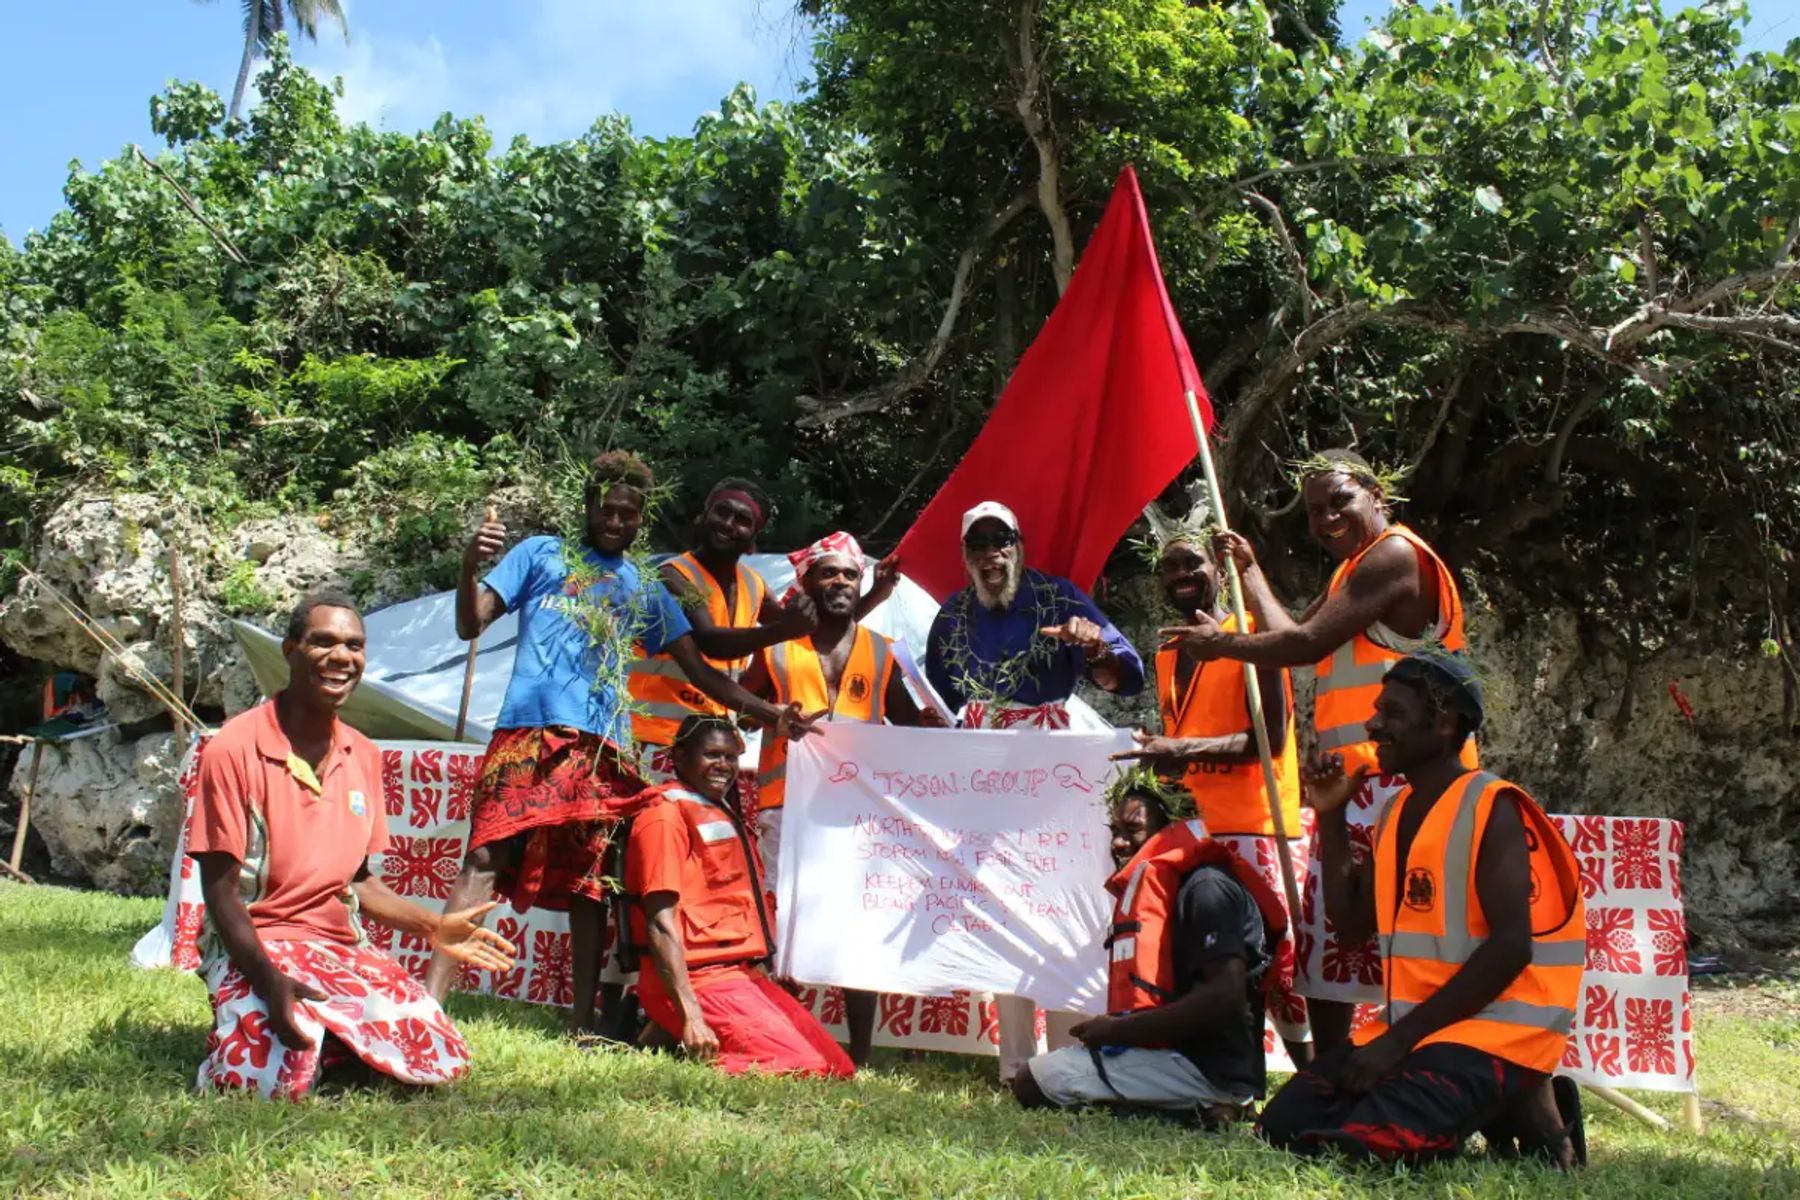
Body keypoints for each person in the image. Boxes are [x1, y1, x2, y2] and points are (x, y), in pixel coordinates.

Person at [422, 453, 811, 1037]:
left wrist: (769, 713)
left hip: (604, 747)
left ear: (642, 520)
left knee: (591, 886)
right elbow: (470, 624)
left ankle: (581, 1026)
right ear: (588, 505)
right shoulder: (540, 554)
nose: (616, 521)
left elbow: (703, 669)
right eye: (607, 509)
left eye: (630, 514)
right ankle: (429, 1006)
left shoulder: (643, 584)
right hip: (527, 731)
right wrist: (468, 568)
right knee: (485, 857)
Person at [1160, 450, 1476, 1051]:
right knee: (1331, 932)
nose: (1327, 518)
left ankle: (1411, 1061)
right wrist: (1249, 571)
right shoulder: (1352, 571)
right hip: (1352, 785)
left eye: (1340, 502)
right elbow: (1290, 635)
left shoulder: (1394, 555)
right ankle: (1331, 1073)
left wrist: (1223, 643)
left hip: (1409, 782)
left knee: (1412, 929)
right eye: (1313, 511)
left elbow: (1303, 646)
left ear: (1378, 495)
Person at [1258, 650, 1586, 1168]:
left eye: (1391, 712)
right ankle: (1511, 1110)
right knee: (1281, 1128)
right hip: (1419, 1029)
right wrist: (1333, 815)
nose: (1372, 724)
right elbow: (1350, 929)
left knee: (1369, 1149)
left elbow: (1511, 948)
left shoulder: (1493, 805)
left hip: (1498, 1031)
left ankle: (1529, 1104)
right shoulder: (1396, 811)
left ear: (1443, 721)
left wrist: (1397, 1045)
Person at [188, 591, 516, 1100]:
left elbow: (359, 881)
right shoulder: (233, 748)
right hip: (256, 944)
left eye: (354, 645)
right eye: (323, 642)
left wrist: (433, 926)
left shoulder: (361, 753)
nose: (342, 657)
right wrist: (270, 981)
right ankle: (294, 1035)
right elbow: (221, 893)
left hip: (336, 946)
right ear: (290, 650)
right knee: (261, 1074)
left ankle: (334, 1046)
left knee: (431, 1048)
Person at [923, 499, 1145, 1082]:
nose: (991, 554)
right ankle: (1016, 1064)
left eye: (1002, 541)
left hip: (1053, 772)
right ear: (965, 555)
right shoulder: (954, 614)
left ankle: (1070, 1059)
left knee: (1062, 896)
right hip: (986, 776)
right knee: (1001, 902)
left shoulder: (1059, 597)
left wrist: (1094, 647)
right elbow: (936, 693)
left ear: (1018, 546)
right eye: (978, 544)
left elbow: (1128, 672)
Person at [1112, 529, 1311, 1064]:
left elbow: (1269, 736)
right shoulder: (1167, 655)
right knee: (1220, 961)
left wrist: (1183, 747)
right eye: (1170, 566)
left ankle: (1316, 1075)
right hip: (1203, 830)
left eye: (1192, 562)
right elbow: (1191, 746)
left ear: (1219, 570)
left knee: (1280, 965)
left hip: (1258, 824)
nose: (1181, 575)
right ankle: (1227, 1078)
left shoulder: (1253, 635)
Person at [738, 532, 923, 1065]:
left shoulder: (882, 652)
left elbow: (908, 727)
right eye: (829, 574)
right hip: (785, 802)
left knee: (855, 925)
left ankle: (860, 1053)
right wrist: (774, 716)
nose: (840, 582)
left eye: (849, 574)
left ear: (860, 582)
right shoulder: (774, 647)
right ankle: (783, 1040)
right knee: (784, 925)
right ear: (808, 582)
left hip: (855, 814)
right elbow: (742, 706)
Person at [1011, 775, 1285, 1124]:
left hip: (1207, 1069)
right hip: (1175, 1057)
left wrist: (1118, 1031)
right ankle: (1207, 1108)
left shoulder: (1207, 888)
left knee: (1033, 1080)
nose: (1120, 843)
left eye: (1133, 829)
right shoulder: (1170, 884)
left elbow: (1225, 997)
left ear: (1171, 828)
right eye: (1115, 830)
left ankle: (1205, 1108)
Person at [621, 714, 856, 1079]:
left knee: (838, 1067)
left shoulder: (718, 809)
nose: (724, 766)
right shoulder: (664, 817)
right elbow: (660, 921)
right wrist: (691, 1015)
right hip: (699, 980)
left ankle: (663, 1038)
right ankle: (683, 1044)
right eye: (712, 755)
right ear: (679, 758)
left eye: (731, 757)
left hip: (739, 975)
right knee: (805, 1068)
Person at [628, 479, 899, 781]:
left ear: (754, 538)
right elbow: (711, 643)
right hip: (658, 740)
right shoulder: (672, 576)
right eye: (722, 512)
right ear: (703, 516)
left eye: (743, 520)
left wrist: (874, 596)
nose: (729, 524)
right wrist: (772, 710)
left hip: (710, 747)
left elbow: (811, 633)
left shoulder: (752, 584)